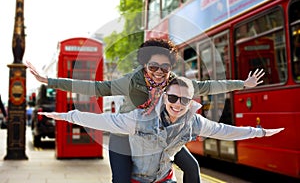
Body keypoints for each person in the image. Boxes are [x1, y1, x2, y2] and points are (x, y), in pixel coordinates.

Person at [26, 38, 265, 183]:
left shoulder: (177, 83)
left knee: (192, 167)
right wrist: (49, 81)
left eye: (165, 66)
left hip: (162, 136)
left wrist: (242, 84)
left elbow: (208, 86)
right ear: (144, 64)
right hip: (127, 138)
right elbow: (97, 88)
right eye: (153, 66)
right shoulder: (130, 81)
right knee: (121, 180)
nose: (160, 71)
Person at [40, 76, 284, 183]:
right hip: (132, 154)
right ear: (164, 96)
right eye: (174, 99)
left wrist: (259, 131)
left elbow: (223, 129)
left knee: (192, 166)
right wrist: (63, 114)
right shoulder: (137, 107)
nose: (178, 104)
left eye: (185, 101)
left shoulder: (192, 118)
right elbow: (99, 113)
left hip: (164, 177)